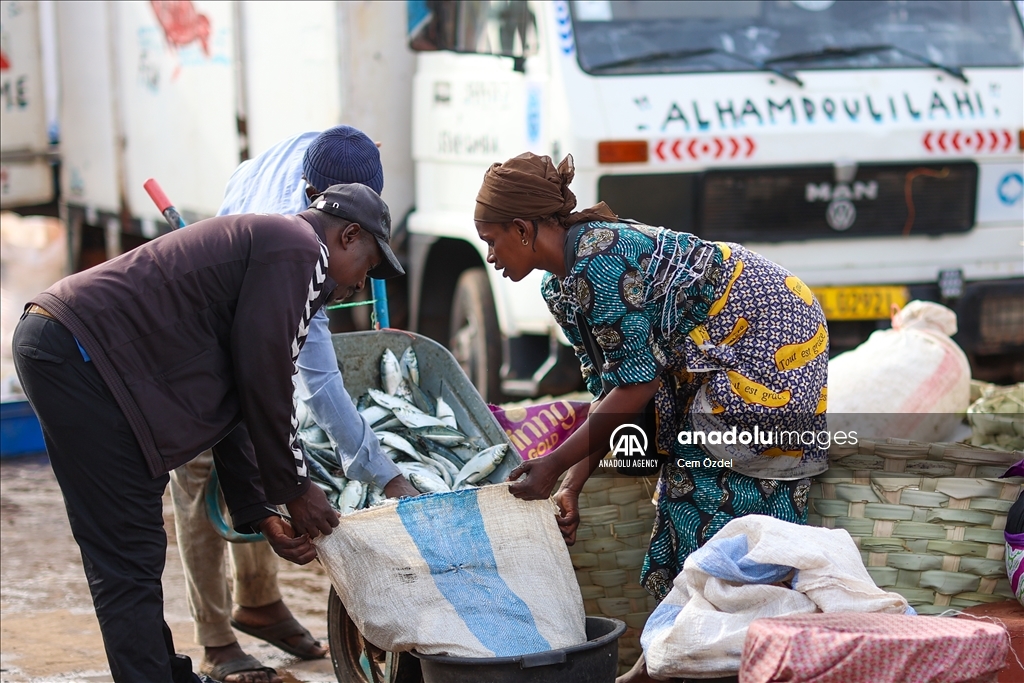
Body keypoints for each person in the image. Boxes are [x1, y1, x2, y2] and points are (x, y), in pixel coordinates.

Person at [12, 183, 405, 683]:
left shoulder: (280, 249)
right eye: (367, 268)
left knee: (130, 549)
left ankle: (163, 672)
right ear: (349, 235)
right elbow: (267, 376)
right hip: (81, 353)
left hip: (74, 349)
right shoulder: (301, 250)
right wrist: (296, 488)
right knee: (126, 550)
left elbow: (241, 394)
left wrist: (261, 511)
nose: (358, 285)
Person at [473, 152, 829, 683]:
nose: (490, 255)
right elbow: (609, 395)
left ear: (523, 229)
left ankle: (692, 665)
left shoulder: (601, 258)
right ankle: (665, 663)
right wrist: (572, 485)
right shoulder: (562, 285)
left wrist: (549, 465)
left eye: (492, 239)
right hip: (711, 353)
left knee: (711, 501)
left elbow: (638, 386)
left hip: (768, 342)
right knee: (685, 495)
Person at [170, 126, 418, 683]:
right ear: (331, 220)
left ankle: (257, 601)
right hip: (202, 329)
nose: (353, 284)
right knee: (202, 465)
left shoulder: (339, 157)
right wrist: (379, 472)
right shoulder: (298, 243)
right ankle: (214, 639)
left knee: (259, 445)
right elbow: (317, 380)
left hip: (249, 299)